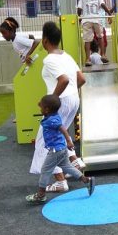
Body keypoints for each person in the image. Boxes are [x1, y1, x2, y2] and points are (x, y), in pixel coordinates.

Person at [30, 22, 87, 192]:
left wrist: (51, 101)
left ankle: (60, 180)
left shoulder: (49, 59)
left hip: (59, 102)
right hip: (73, 99)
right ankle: (74, 159)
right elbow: (81, 79)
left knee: (44, 141)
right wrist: (69, 93)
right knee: (59, 134)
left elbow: (63, 80)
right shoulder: (66, 55)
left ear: (45, 40)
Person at [26, 94, 95, 203]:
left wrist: (68, 140)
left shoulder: (51, 120)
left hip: (55, 151)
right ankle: (86, 180)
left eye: (42, 107)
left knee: (45, 171)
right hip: (61, 149)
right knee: (67, 167)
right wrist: (42, 103)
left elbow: (62, 129)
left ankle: (41, 195)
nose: (40, 108)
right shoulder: (54, 115)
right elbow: (44, 107)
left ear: (47, 109)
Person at [77, 0, 112, 66]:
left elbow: (79, 9)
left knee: (87, 40)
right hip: (97, 19)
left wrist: (79, 17)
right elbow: (103, 5)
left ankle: (88, 59)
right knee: (100, 37)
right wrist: (109, 12)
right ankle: (103, 55)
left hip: (86, 20)